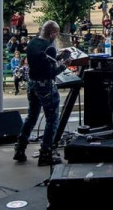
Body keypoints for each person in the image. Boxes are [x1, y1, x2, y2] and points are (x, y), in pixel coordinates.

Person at [15, 21, 65, 166]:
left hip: (32, 84)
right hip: (45, 86)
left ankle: (20, 148)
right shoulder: (49, 47)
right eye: (56, 33)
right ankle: (46, 153)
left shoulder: (32, 43)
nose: (56, 36)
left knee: (31, 116)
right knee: (52, 119)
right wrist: (63, 66)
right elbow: (51, 73)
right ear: (52, 33)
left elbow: (39, 63)